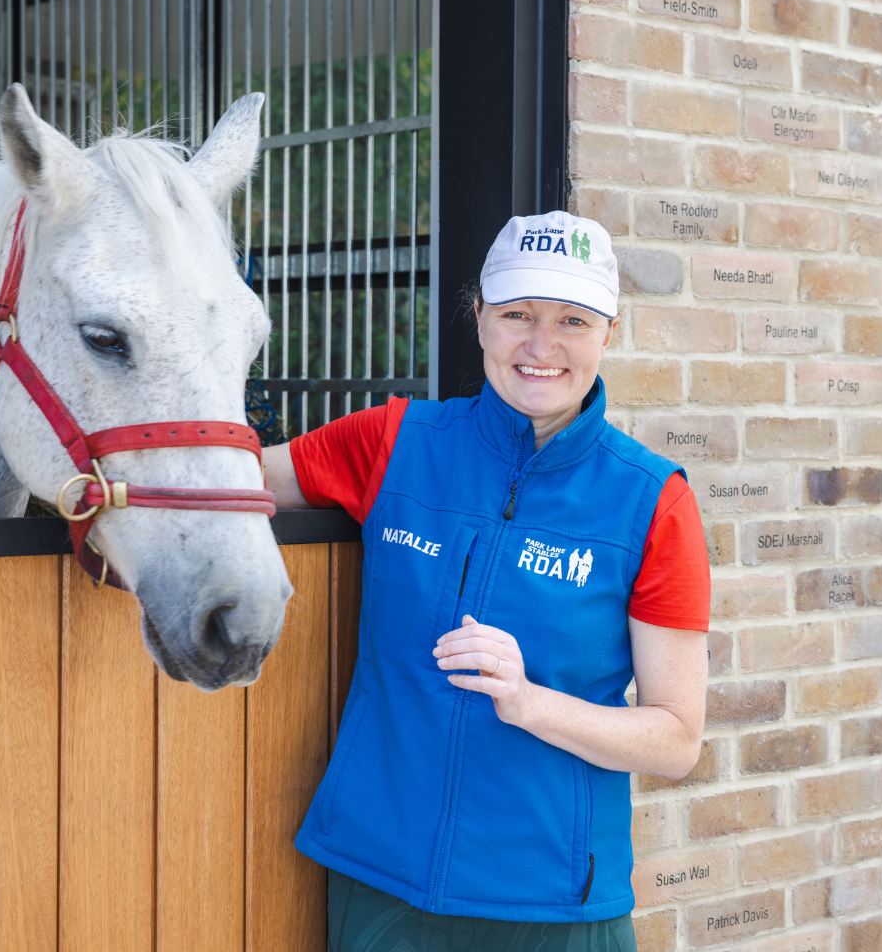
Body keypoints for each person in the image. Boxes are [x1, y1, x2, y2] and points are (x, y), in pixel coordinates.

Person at [263, 212, 710, 952]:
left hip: (554, 908)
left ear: (610, 333)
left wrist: (531, 703)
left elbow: (674, 741)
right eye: (516, 315)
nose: (542, 346)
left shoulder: (652, 499)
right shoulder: (393, 442)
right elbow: (233, 483)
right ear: (478, 320)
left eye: (572, 319)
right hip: (383, 882)